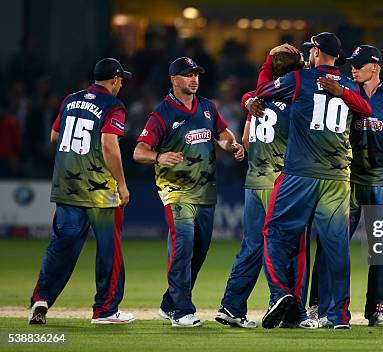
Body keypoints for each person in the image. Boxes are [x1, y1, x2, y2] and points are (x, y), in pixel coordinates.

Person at [254, 32, 372, 329]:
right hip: (337, 178)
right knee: (336, 246)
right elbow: (366, 110)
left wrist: (270, 61)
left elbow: (262, 92)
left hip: (300, 174)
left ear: (316, 51)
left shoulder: (298, 79)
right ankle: (339, 316)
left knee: (274, 233)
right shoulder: (348, 85)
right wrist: (342, 93)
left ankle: (281, 294)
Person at [307, 45, 383, 327]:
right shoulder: (347, 91)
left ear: (375, 66)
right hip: (346, 180)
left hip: (382, 181)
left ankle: (377, 310)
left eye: (359, 65)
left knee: (382, 249)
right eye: (352, 64)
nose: (353, 68)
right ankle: (317, 306)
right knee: (330, 244)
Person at [133, 56, 244, 328]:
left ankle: (169, 303)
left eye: (196, 75)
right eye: (187, 75)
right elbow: (139, 152)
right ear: (173, 80)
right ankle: (182, 310)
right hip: (176, 192)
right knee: (183, 245)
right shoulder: (162, 114)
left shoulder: (207, 107)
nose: (194, 79)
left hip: (205, 191)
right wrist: (160, 157)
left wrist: (232, 145)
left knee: (198, 252)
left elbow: (222, 133)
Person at [216, 44, 318, 329]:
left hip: (254, 180)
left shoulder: (259, 100)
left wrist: (253, 92)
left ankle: (231, 306)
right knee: (295, 247)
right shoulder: (299, 98)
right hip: (283, 184)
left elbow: (246, 141)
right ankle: (294, 312)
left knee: (251, 245)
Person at [29, 58, 134, 325]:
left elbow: (55, 137)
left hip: (67, 186)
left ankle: (41, 299)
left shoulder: (70, 100)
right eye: (121, 79)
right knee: (109, 250)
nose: (121, 84)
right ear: (114, 80)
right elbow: (109, 145)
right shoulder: (114, 105)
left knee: (62, 244)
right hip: (100, 191)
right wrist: (122, 184)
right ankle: (105, 310)